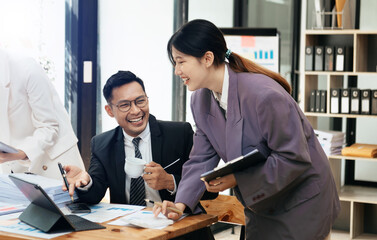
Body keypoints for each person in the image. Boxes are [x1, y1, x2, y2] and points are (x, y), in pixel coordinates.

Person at [153, 19, 340, 240]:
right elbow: (200, 159)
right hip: (262, 202)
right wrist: (180, 205)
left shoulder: (264, 95)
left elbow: (294, 158)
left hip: (301, 201)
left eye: (181, 62)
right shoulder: (199, 100)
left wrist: (238, 178)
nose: (177, 71)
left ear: (207, 58)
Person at [63, 71, 216, 220]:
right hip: (130, 231)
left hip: (178, 228)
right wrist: (86, 182)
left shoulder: (179, 134)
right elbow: (95, 194)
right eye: (125, 105)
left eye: (140, 101)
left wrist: (170, 182)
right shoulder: (102, 144)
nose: (136, 111)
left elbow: (210, 189)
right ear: (110, 110)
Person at [0, 49, 85, 179]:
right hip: (14, 164)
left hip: (53, 158)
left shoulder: (27, 68)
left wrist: (18, 154)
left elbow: (49, 126)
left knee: (62, 198)